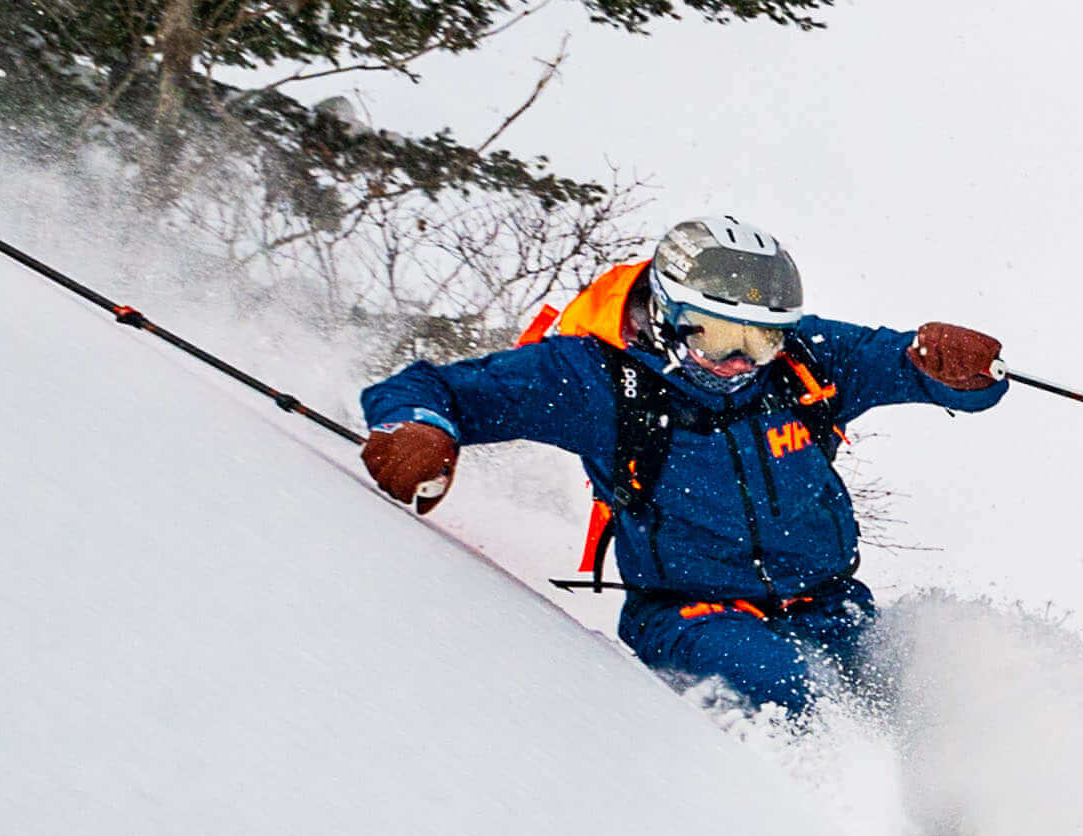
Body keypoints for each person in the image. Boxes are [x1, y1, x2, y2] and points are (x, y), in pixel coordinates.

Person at [359, 217, 1007, 717]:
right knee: (793, 688)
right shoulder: (594, 380)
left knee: (922, 698)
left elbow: (908, 365)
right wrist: (418, 427)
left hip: (831, 605)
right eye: (717, 336)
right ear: (666, 312)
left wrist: (956, 373)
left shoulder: (804, 360)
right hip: (693, 614)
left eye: (762, 339)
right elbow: (433, 389)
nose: (740, 362)